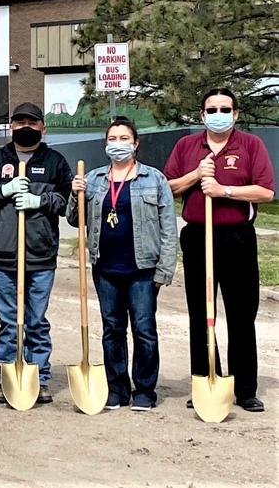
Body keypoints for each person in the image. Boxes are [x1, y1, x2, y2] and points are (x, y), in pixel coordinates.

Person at [163, 88, 274, 412]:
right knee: (201, 314)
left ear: (236, 114)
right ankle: (205, 378)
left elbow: (266, 191)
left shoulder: (251, 145)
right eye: (212, 109)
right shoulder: (187, 146)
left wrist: (224, 190)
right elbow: (168, 185)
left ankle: (245, 389)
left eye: (225, 109)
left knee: (241, 314)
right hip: (198, 236)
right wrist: (197, 175)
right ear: (202, 114)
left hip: (236, 237)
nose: (218, 114)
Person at [68, 117, 177, 411]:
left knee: (144, 329)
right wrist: (75, 192)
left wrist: (165, 269)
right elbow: (73, 218)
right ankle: (117, 387)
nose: (118, 144)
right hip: (106, 268)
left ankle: (144, 389)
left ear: (135, 143)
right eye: (112, 139)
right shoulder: (93, 179)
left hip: (142, 269)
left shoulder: (154, 179)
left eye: (124, 138)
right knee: (112, 328)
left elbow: (168, 228)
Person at [0, 102, 71, 404]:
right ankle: (8, 375)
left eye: (32, 122)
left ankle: (40, 377)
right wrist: (2, 191)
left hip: (41, 256)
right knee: (9, 321)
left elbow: (67, 202)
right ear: (10, 127)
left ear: (43, 127)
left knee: (36, 321)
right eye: (19, 122)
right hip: (4, 255)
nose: (25, 127)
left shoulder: (55, 161)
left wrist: (38, 200)